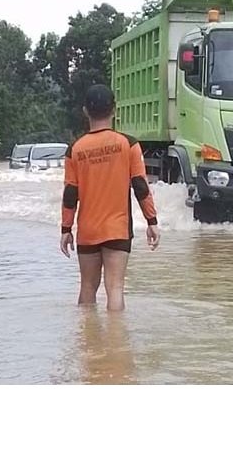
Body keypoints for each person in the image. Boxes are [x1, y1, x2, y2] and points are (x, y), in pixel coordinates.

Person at [60, 84, 160, 311]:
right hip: (117, 228)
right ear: (114, 109)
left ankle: (88, 331)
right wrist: (151, 221)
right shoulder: (129, 144)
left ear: (85, 111)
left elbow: (70, 193)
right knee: (115, 288)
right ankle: (116, 333)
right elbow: (140, 186)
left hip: (88, 230)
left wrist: (66, 229)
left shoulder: (74, 149)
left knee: (87, 287)